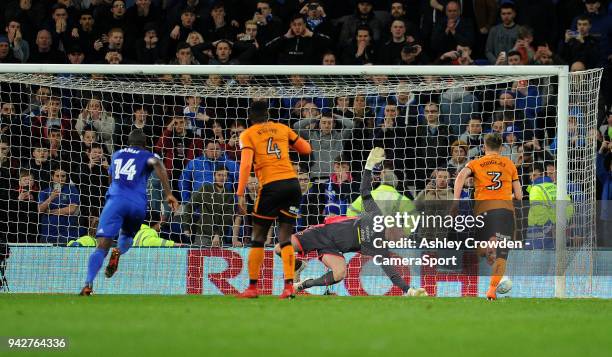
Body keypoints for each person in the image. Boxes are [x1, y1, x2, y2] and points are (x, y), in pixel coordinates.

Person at [282, 148, 426, 297]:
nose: (398, 238)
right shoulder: (376, 215)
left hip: (332, 251)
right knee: (279, 249)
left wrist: (410, 291)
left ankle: (302, 285)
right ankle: (297, 266)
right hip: (321, 233)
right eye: (399, 234)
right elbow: (364, 190)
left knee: (339, 273)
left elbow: (393, 275)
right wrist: (369, 165)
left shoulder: (380, 249)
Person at [79, 129, 178, 296]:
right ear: (145, 143)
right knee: (127, 237)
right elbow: (158, 164)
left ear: (128, 142)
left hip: (115, 201)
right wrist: (168, 193)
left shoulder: (117, 154)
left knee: (101, 246)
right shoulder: (148, 155)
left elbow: (110, 177)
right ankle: (118, 251)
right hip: (137, 204)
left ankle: (88, 284)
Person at [236, 101, 312, 299]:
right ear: (267, 114)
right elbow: (306, 149)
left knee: (258, 236)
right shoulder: (282, 128)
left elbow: (245, 166)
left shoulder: (248, 134)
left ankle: (253, 287)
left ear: (250, 117)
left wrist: (240, 194)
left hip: (271, 187)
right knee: (285, 237)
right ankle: (288, 287)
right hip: (292, 185)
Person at [453, 133, 523, 300]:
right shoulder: (510, 164)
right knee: (502, 253)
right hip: (505, 212)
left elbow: (461, 176)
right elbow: (519, 195)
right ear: (501, 147)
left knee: (482, 248)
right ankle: (492, 290)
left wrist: (455, 201)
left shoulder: (476, 163)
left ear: (484, 146)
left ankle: (490, 249)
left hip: (484, 210)